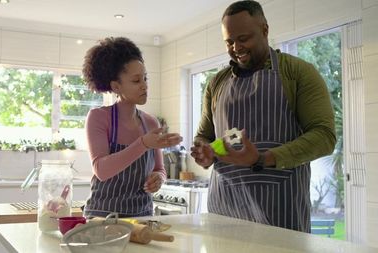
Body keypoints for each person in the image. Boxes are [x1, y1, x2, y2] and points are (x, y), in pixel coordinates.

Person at [190, 0, 336, 232]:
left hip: (280, 214)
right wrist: (206, 152)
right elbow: (205, 136)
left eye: (243, 38)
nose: (236, 47)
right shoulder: (216, 83)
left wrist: (261, 158)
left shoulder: (298, 73)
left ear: (265, 30)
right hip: (224, 211)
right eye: (229, 41)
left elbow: (324, 137)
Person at [82, 37, 182, 218]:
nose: (144, 85)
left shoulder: (151, 123)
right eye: (136, 81)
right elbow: (102, 170)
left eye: (145, 78)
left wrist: (158, 178)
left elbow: (160, 169)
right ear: (116, 86)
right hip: (103, 217)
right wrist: (143, 143)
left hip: (143, 216)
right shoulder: (99, 118)